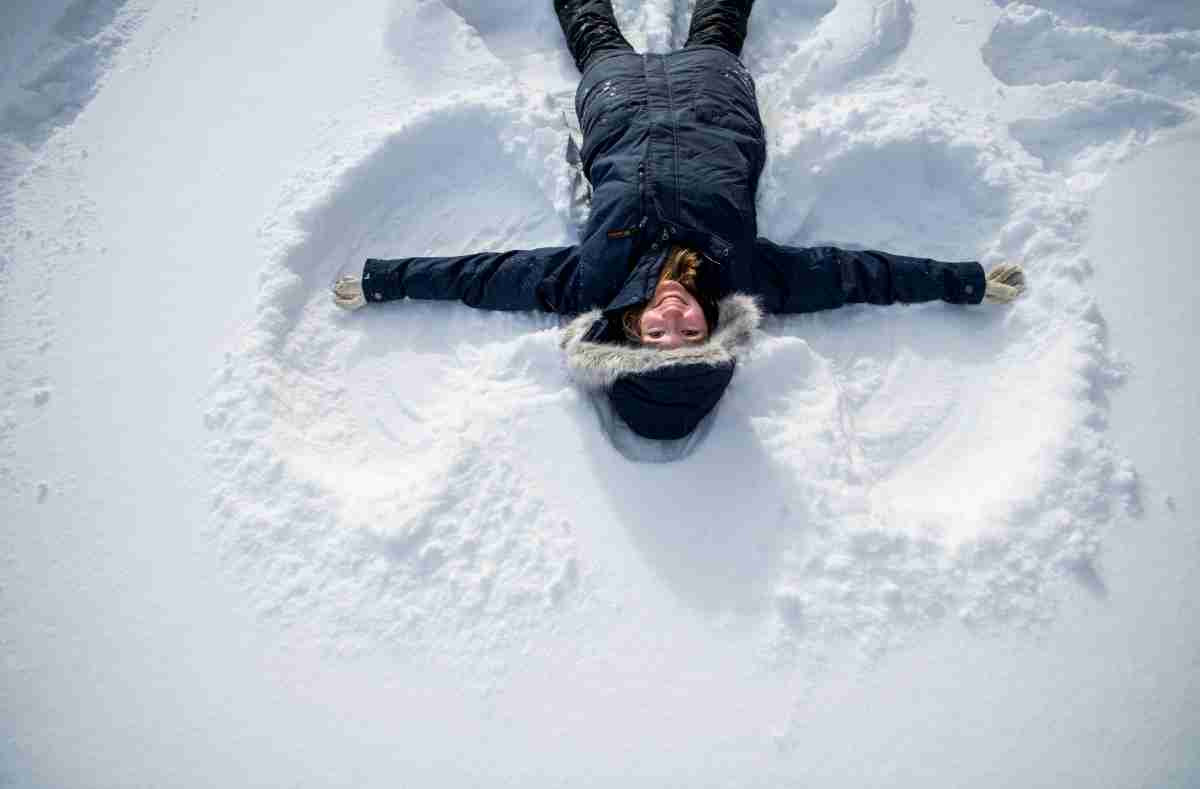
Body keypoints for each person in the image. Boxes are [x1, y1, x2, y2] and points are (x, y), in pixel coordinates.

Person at [333, 0, 1025, 443]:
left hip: (616, 104)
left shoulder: (590, 282)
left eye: (656, 333)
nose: (674, 315)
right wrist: (963, 281)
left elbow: (481, 277)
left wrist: (385, 281)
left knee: (590, 26)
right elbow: (860, 275)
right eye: (690, 332)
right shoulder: (751, 278)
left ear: (629, 329)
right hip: (713, 96)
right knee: (721, 20)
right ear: (713, 329)